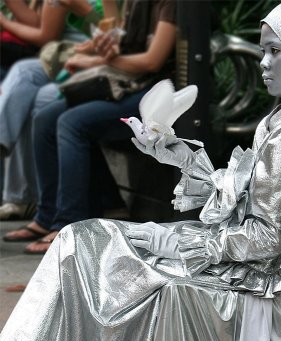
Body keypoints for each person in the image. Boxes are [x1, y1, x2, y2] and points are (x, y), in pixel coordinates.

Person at [0, 0, 281, 341]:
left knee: (84, 246)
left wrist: (173, 241)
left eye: (275, 50)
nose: (263, 62)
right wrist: (181, 156)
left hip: (260, 277)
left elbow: (267, 240)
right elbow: (249, 196)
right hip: (240, 256)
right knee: (84, 243)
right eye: (262, 49)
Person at [3, 0, 177, 253]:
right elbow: (116, 37)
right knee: (45, 117)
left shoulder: (172, 5)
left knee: (71, 123)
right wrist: (95, 51)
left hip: (153, 90)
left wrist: (97, 60)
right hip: (128, 80)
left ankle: (68, 224)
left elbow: (151, 62)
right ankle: (46, 216)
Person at [0, 0, 104, 220]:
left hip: (87, 64)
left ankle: (53, 213)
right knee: (28, 88)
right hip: (65, 58)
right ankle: (40, 205)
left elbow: (46, 35)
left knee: (41, 98)